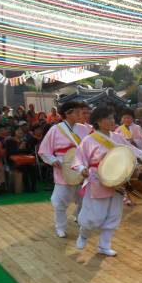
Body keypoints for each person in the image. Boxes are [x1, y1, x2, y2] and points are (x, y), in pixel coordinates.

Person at [72, 105, 142, 256]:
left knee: (114, 214)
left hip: (119, 180)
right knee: (95, 216)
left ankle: (104, 245)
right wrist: (81, 168)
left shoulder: (117, 137)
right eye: (108, 118)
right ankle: (84, 233)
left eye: (112, 117)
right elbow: (79, 158)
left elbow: (131, 151)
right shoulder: (89, 140)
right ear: (98, 121)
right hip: (97, 179)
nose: (112, 121)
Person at [38, 101, 90, 238]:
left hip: (81, 167)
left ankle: (78, 216)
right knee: (61, 201)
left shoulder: (84, 129)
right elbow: (44, 151)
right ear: (67, 114)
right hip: (64, 167)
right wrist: (53, 161)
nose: (81, 115)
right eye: (77, 112)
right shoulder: (55, 129)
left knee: (85, 197)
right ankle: (60, 227)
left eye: (81, 112)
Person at [5, 126, 38, 192]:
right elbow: (10, 153)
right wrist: (20, 148)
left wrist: (30, 151)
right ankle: (27, 187)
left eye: (21, 130)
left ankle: (33, 187)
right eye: (18, 130)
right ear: (14, 132)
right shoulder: (10, 141)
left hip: (24, 160)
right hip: (14, 162)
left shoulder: (24, 140)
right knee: (24, 167)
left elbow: (28, 151)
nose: (20, 132)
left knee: (33, 167)